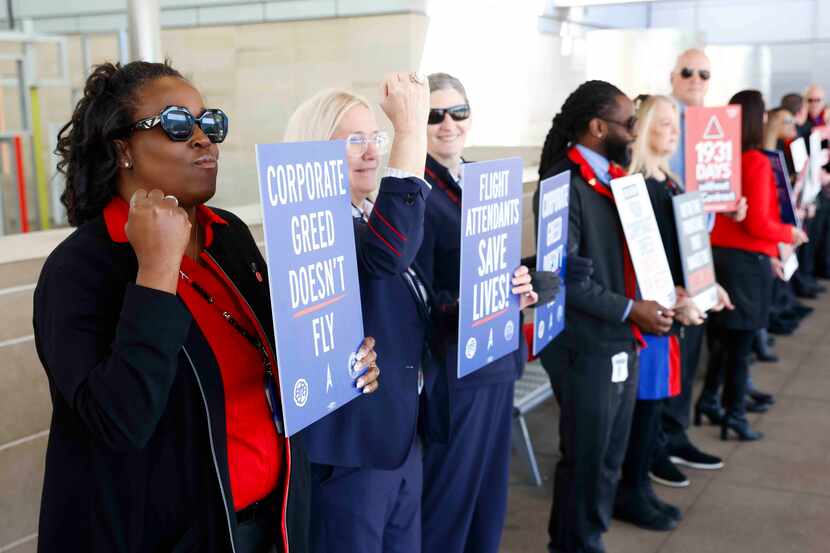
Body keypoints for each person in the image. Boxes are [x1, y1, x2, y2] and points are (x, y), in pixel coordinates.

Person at [32, 61, 381, 553]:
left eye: (210, 123)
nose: (203, 139)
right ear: (123, 149)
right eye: (177, 124)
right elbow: (117, 420)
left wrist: (339, 358)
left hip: (272, 521)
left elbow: (272, 352)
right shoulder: (82, 268)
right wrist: (154, 274)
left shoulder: (229, 235)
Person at [283, 75, 450, 553]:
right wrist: (411, 134)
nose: (372, 152)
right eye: (353, 140)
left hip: (397, 435)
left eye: (375, 137)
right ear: (315, 152)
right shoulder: (315, 229)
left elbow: (408, 302)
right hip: (352, 450)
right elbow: (388, 255)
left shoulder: (364, 215)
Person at [535, 79, 675, 553]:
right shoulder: (563, 184)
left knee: (611, 456)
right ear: (598, 127)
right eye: (629, 122)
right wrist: (632, 309)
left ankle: (591, 537)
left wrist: (659, 293)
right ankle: (573, 544)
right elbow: (566, 280)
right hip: (586, 345)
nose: (636, 131)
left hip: (621, 338)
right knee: (586, 458)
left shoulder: (618, 180)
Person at [417, 72, 546, 553]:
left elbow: (496, 265)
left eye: (458, 112)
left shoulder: (482, 179)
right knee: (448, 505)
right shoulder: (417, 191)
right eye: (433, 115)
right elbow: (421, 293)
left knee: (488, 502)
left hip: (498, 359)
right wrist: (476, 303)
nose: (448, 123)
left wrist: (521, 285)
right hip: (456, 371)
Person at [615, 94, 708, 532]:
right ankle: (630, 491)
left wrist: (703, 289)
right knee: (644, 403)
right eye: (666, 123)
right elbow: (641, 261)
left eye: (676, 124)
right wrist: (676, 296)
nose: (674, 131)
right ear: (645, 126)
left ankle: (641, 485)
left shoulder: (668, 180)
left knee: (656, 403)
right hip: (650, 312)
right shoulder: (635, 187)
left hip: (672, 307)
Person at [707, 90, 807, 441]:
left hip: (723, 258)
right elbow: (759, 223)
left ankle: (710, 401)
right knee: (740, 344)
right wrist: (787, 235)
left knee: (725, 341)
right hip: (745, 263)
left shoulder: (725, 159)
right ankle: (733, 414)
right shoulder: (755, 161)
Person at [653, 47, 726, 488]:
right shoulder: (665, 121)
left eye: (703, 73)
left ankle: (675, 434)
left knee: (690, 350)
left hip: (699, 249)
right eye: (688, 72)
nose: (696, 79)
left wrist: (727, 204)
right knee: (668, 352)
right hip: (667, 253)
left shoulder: (714, 131)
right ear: (673, 76)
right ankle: (655, 445)